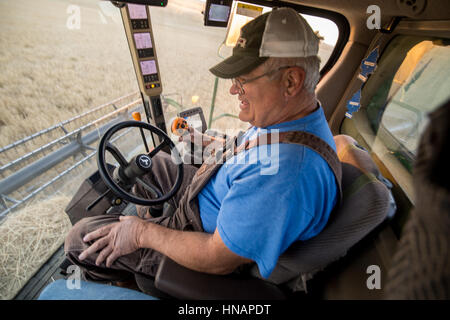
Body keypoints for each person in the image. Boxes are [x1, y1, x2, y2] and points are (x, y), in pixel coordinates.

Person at [64, 7, 339, 290]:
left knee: (79, 238)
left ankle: (134, 281)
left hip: (200, 244)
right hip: (211, 203)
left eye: (242, 80)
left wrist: (142, 234)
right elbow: (251, 148)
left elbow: (216, 257)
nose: (233, 91)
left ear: (290, 81)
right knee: (156, 162)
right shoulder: (290, 122)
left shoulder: (286, 175)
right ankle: (143, 240)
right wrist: (207, 142)